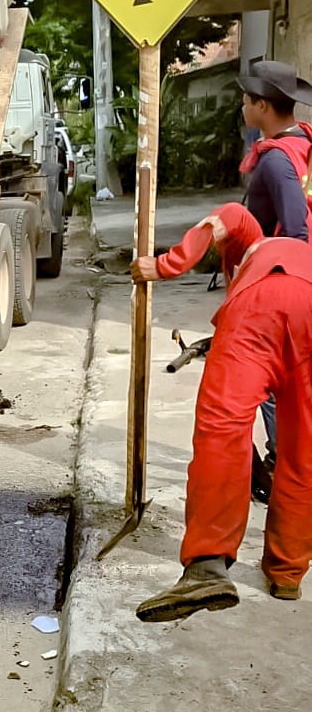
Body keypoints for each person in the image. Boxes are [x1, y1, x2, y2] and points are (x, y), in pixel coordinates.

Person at [130, 202, 312, 622]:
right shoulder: (300, 254)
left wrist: (165, 265)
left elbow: (224, 216)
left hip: (254, 314)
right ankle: (287, 572)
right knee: (302, 451)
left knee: (223, 431)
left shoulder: (254, 239)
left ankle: (207, 567)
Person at [237, 60, 312, 477]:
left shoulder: (276, 160)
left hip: (285, 282)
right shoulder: (305, 143)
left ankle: (287, 465)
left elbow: (297, 227)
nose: (243, 107)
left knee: (269, 379)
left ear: (263, 105)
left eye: (246, 100)